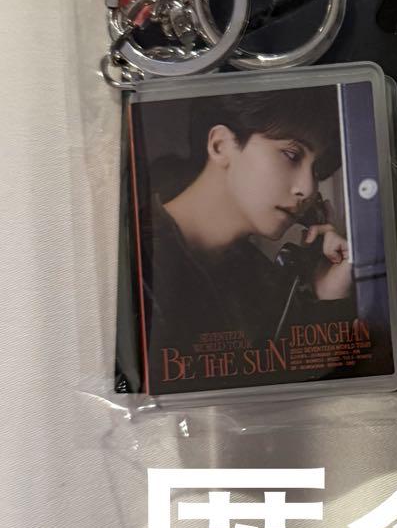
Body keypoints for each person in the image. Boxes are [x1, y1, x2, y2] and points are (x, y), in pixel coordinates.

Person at [127, 87, 356, 385]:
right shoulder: (131, 260)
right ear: (221, 145)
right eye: (291, 155)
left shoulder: (262, 282)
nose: (307, 189)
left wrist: (327, 297)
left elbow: (298, 394)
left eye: (317, 172)